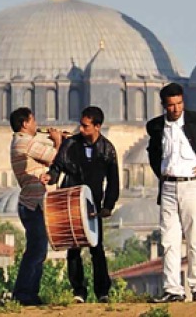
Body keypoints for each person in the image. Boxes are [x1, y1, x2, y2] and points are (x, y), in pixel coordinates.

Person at [146, 82, 196, 303]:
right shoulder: (155, 126)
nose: (175, 109)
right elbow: (154, 153)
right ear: (164, 105)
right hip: (169, 187)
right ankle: (173, 289)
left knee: (195, 238)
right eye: (171, 105)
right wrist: (162, 173)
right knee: (169, 240)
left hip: (193, 184)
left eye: (179, 103)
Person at [45, 106, 119, 304]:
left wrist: (108, 205)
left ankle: (102, 291)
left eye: (86, 126)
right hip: (71, 200)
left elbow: (113, 180)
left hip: (93, 203)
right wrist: (50, 177)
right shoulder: (70, 144)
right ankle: (79, 291)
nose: (81, 129)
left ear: (97, 126)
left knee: (97, 247)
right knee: (74, 248)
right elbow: (57, 167)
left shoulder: (107, 149)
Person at [9, 107, 63, 306]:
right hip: (33, 205)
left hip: (31, 203)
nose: (36, 124)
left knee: (36, 249)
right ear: (25, 123)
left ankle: (29, 293)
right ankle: (24, 294)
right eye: (33, 120)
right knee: (37, 251)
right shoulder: (25, 141)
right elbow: (55, 158)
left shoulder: (20, 141)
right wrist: (58, 140)